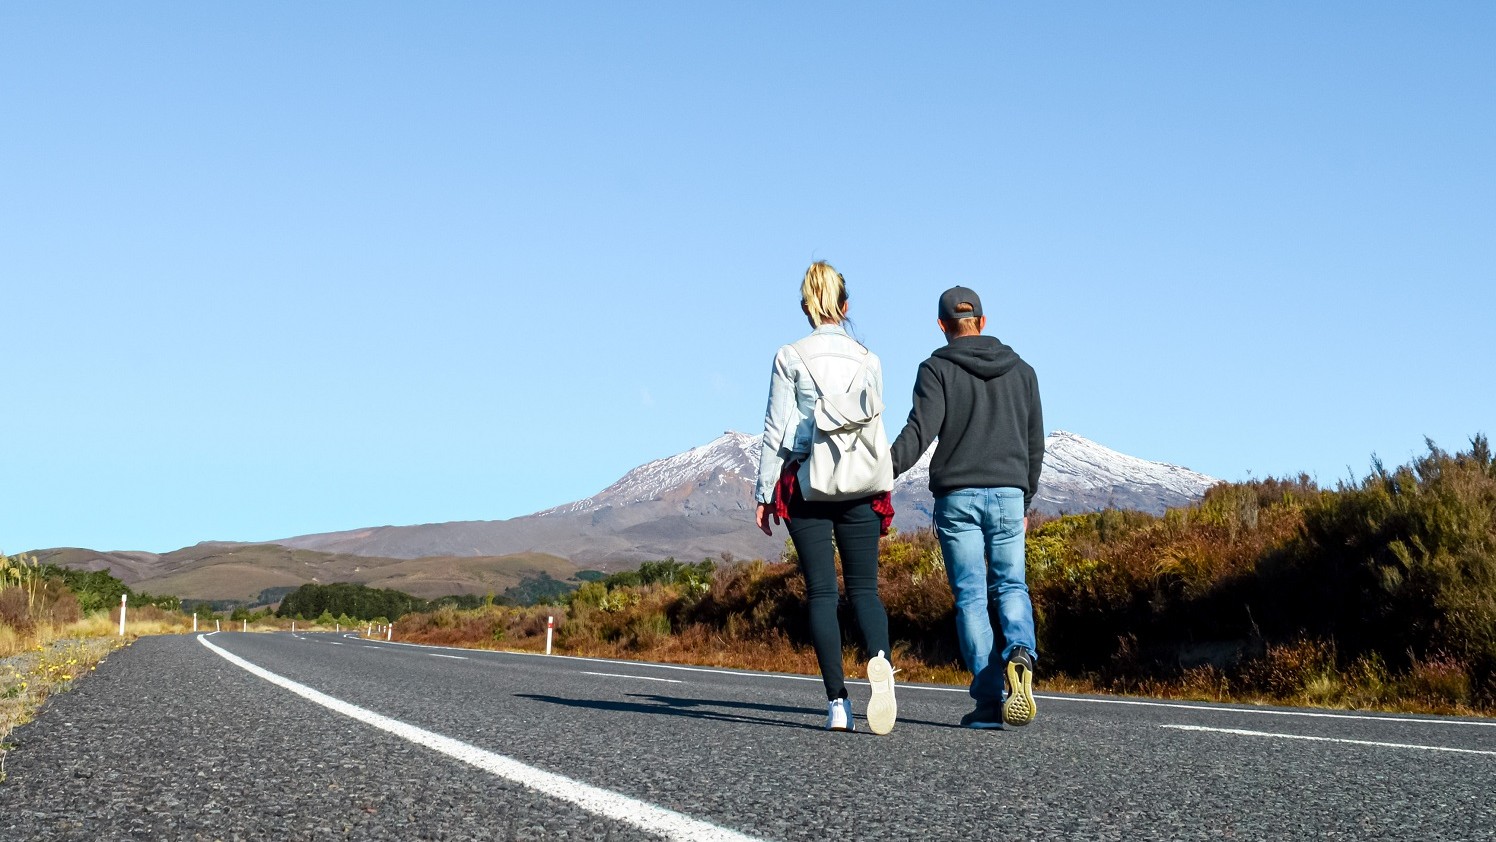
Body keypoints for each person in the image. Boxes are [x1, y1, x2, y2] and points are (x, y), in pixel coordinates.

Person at [754, 260, 898, 735]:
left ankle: (838, 702)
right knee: (865, 592)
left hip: (806, 483)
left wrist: (764, 492)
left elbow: (778, 429)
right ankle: (880, 661)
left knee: (821, 592)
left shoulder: (790, 355)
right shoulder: (869, 359)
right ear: (846, 305)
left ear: (805, 308)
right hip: (859, 482)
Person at [890, 285, 1043, 729]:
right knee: (1012, 586)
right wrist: (1025, 497)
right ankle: (1020, 651)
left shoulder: (937, 368)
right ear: (983, 321)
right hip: (1011, 495)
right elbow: (1035, 443)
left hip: (958, 499)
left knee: (972, 598)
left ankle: (990, 701)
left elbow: (918, 433)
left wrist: (879, 471)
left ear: (942, 325)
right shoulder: (1023, 372)